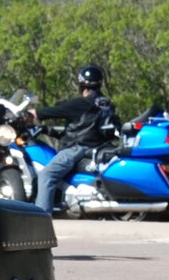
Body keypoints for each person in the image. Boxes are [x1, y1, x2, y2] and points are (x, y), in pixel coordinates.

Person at [33, 63, 120, 213]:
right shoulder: (106, 103)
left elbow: (51, 112)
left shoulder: (81, 103)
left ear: (82, 86)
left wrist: (32, 114)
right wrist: (49, 130)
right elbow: (81, 127)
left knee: (47, 175)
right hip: (98, 146)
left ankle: (41, 216)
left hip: (78, 149)